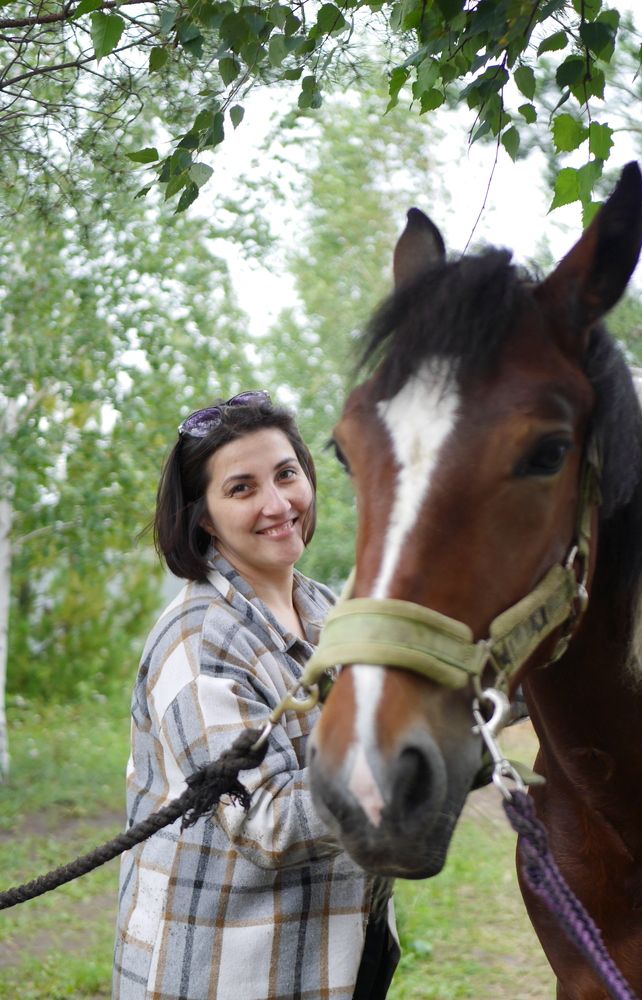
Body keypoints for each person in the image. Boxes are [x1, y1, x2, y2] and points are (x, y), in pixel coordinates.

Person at [113, 391, 399, 1000]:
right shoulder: (198, 641)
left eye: (286, 474)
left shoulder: (325, 609)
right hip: (223, 970)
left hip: (336, 953)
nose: (278, 504)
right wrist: (403, 764)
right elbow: (268, 821)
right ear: (205, 518)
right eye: (242, 488)